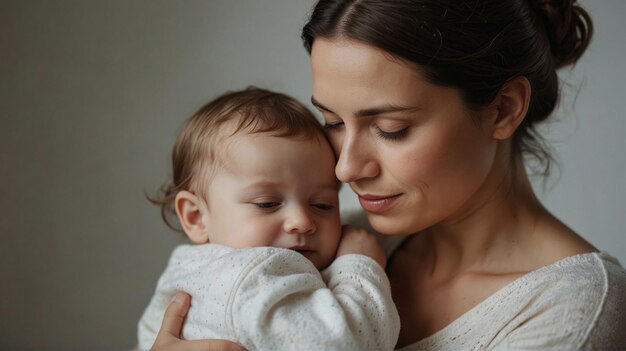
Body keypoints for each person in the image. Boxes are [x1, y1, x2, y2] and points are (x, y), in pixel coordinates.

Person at [150, 0, 626, 350]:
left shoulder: (574, 308)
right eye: (333, 123)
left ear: (502, 109)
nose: (345, 167)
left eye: (391, 129)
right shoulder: (335, 237)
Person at [137, 87, 400, 351]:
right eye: (267, 204)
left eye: (323, 205)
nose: (302, 221)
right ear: (196, 217)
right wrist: (359, 266)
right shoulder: (250, 276)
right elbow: (342, 345)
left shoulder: (186, 272)